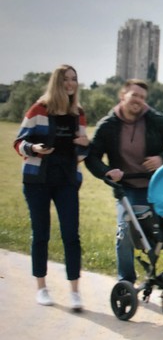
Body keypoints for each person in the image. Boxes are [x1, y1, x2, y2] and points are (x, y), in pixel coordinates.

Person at [85, 79, 163, 285]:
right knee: (125, 233)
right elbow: (92, 157)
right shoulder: (108, 125)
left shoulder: (156, 120)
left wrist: (162, 159)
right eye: (134, 96)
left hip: (156, 187)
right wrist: (107, 172)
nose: (138, 101)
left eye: (142, 97)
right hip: (127, 189)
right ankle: (126, 281)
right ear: (123, 96)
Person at [13, 64, 89, 311]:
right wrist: (34, 149)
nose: (70, 83)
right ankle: (42, 287)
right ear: (57, 82)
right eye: (66, 79)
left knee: (71, 235)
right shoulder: (39, 109)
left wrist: (85, 144)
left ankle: (75, 292)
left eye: (74, 79)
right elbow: (18, 142)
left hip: (66, 179)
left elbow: (83, 152)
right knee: (41, 234)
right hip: (38, 180)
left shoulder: (79, 112)